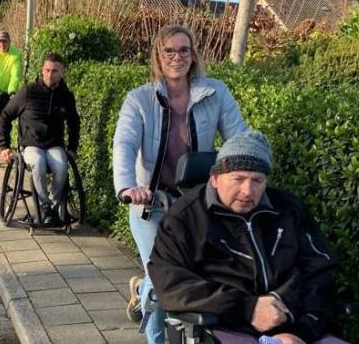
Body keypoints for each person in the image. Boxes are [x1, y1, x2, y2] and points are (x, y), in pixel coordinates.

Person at [112, 25, 248, 344]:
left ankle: (140, 288)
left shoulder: (215, 93)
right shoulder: (139, 99)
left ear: (193, 55)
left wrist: (248, 169)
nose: (177, 57)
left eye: (183, 50)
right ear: (158, 57)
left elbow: (237, 138)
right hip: (151, 204)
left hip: (196, 203)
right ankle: (156, 339)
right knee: (163, 280)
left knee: (202, 271)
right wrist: (129, 187)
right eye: (169, 51)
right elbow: (125, 144)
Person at [148, 130, 345, 344]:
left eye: (257, 180)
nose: (248, 190)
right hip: (227, 324)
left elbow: (320, 269)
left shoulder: (289, 209)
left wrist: (299, 330)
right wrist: (247, 308)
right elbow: (170, 284)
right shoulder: (184, 218)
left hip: (297, 324)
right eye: (238, 178)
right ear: (214, 179)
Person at [0, 53, 80, 226]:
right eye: (47, 70)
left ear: (62, 73)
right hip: (31, 144)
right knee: (38, 163)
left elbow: (74, 122)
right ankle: (44, 207)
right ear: (42, 71)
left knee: (61, 167)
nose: (50, 75)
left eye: (55, 71)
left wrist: (72, 148)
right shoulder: (29, 91)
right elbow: (6, 115)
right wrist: (4, 146)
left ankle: (52, 204)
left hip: (54, 145)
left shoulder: (66, 96)